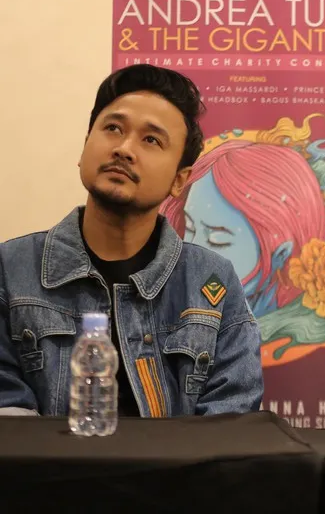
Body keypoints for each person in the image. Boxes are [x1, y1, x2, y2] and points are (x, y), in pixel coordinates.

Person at [0, 64, 264, 417]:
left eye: (151, 139)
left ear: (179, 180)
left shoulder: (213, 280)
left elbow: (230, 420)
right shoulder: (11, 269)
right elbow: (8, 415)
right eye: (113, 128)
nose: (124, 149)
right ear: (85, 147)